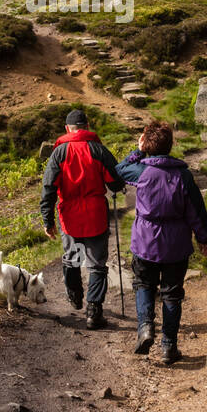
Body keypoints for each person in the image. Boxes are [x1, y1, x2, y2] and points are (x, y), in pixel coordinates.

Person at [116, 120, 207, 365]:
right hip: (176, 246)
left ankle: (146, 328)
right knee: (172, 294)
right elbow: (196, 210)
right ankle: (168, 347)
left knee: (144, 284)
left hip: (145, 242)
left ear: (148, 145)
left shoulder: (141, 172)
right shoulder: (183, 175)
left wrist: (138, 150)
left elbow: (120, 169)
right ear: (171, 145)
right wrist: (203, 237)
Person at [40, 108, 124, 329]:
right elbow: (115, 182)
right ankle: (94, 311)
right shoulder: (99, 150)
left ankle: (75, 294)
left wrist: (47, 220)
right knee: (97, 264)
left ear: (67, 129)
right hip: (96, 213)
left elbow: (48, 187)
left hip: (69, 216)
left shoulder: (58, 153)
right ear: (87, 127)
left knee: (72, 257)